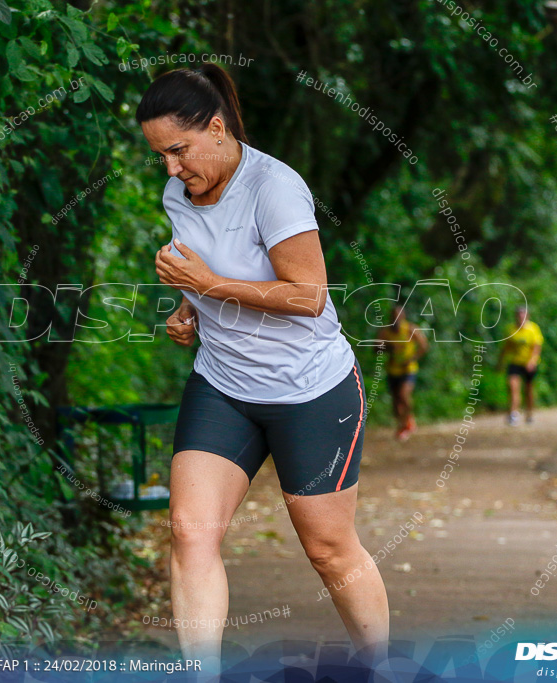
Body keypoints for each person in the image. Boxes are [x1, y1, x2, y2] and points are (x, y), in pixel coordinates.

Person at [138, 64, 389, 675]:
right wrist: (189, 308)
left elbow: (310, 296)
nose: (171, 169)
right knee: (191, 534)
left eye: (178, 150)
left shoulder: (274, 188)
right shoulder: (181, 192)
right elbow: (209, 274)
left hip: (310, 389)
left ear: (217, 128)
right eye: (161, 157)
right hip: (224, 385)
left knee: (328, 549)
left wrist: (209, 284)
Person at [377, 304, 428, 441]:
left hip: (408, 369)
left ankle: (407, 422)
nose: (396, 319)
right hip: (393, 369)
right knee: (395, 400)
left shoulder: (410, 329)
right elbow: (375, 348)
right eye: (393, 316)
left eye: (399, 316)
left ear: (403, 317)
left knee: (403, 395)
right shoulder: (385, 332)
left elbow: (424, 345)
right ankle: (402, 423)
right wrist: (388, 347)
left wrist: (412, 358)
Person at [498, 305, 543, 425]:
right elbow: (506, 348)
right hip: (514, 363)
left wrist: (532, 361)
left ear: (527, 316)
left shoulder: (533, 329)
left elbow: (536, 347)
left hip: (529, 364)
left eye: (523, 314)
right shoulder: (511, 330)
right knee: (513, 388)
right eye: (519, 314)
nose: (521, 317)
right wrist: (500, 362)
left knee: (528, 390)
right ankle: (513, 413)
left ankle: (529, 412)